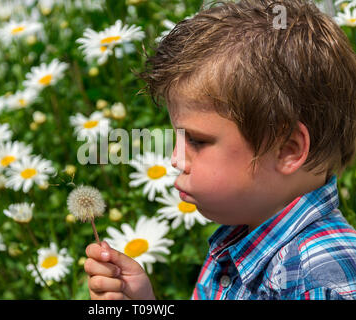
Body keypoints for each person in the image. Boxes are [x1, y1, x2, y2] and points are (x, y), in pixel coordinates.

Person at [84, 0, 356, 299]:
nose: (175, 159)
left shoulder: (319, 278)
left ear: (287, 150)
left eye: (197, 141)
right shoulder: (242, 239)